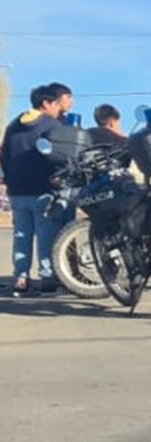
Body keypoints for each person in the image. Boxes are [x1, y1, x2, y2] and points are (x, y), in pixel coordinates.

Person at [2, 82, 75, 296]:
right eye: (55, 104)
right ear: (46, 103)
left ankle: (21, 278)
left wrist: (9, 179)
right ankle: (47, 278)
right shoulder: (51, 126)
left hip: (16, 190)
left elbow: (4, 155)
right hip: (42, 189)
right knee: (46, 235)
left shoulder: (14, 125)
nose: (58, 109)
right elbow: (59, 158)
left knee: (22, 235)